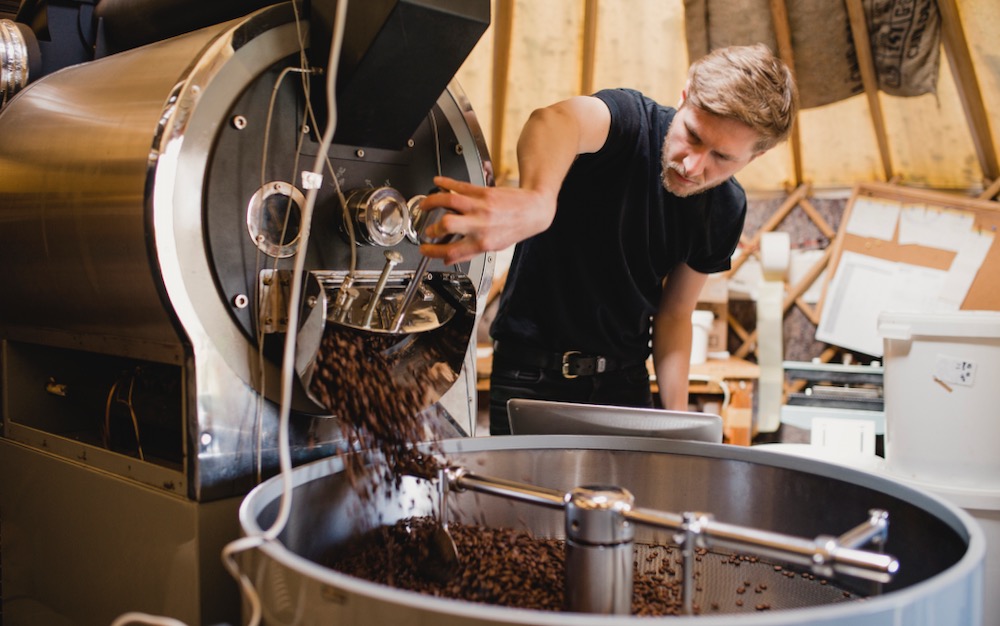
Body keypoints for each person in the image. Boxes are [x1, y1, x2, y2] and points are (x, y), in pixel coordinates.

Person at [419, 43, 798, 435]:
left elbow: (674, 315)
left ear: (754, 158)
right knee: (525, 497)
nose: (693, 165)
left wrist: (679, 423)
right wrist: (539, 198)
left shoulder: (726, 208)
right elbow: (554, 121)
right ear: (684, 97)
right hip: (531, 373)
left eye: (722, 157)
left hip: (625, 383)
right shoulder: (629, 123)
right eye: (693, 136)